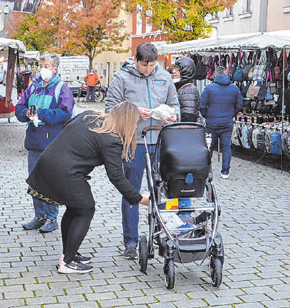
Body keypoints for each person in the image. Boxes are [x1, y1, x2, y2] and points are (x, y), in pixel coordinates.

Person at [27, 103, 151, 274]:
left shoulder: (89, 115)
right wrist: (137, 199)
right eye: (135, 122)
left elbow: (67, 126)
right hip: (66, 172)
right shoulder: (111, 138)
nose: (136, 126)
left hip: (50, 161)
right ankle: (68, 262)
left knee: (75, 208)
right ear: (127, 122)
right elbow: (116, 177)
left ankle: (68, 253)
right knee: (86, 208)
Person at [105, 42, 180, 259]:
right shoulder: (122, 78)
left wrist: (173, 116)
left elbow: (175, 105)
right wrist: (134, 111)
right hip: (133, 142)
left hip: (161, 142)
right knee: (132, 192)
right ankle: (130, 241)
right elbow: (110, 109)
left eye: (151, 65)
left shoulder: (165, 78)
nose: (148, 69)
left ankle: (161, 232)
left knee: (164, 189)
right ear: (136, 60)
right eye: (144, 65)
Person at [15, 53, 76, 233]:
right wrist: (26, 113)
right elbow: (18, 107)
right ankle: (39, 215)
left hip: (52, 143)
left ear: (55, 69)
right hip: (34, 141)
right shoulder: (33, 87)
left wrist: (42, 114)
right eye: (41, 65)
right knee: (35, 181)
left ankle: (51, 217)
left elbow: (66, 112)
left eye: (47, 65)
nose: (43, 69)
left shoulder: (61, 89)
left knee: (50, 181)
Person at [199, 65, 243, 179]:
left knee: (208, 147)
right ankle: (225, 172)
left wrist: (206, 115)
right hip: (227, 122)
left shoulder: (209, 88)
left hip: (212, 122)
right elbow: (239, 105)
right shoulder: (234, 88)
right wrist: (231, 114)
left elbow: (202, 105)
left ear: (215, 75)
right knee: (226, 147)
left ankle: (207, 171)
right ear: (226, 74)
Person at [171, 56, 200, 123]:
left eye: (176, 69)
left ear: (185, 72)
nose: (173, 72)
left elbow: (188, 117)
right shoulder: (183, 87)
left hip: (183, 129)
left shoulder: (188, 90)